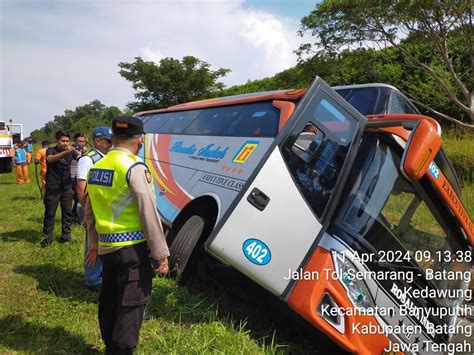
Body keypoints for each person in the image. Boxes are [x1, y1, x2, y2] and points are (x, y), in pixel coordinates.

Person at [84, 116, 169, 354]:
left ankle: (110, 344)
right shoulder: (133, 167)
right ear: (139, 140)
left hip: (107, 248)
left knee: (110, 296)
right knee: (132, 303)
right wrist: (160, 253)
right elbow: (148, 212)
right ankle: (122, 349)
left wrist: (93, 245)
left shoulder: (97, 167)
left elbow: (89, 212)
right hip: (133, 249)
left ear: (112, 138)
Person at [76, 126, 112, 292]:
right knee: (92, 243)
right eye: (108, 141)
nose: (112, 144)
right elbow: (81, 187)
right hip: (89, 207)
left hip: (100, 208)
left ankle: (100, 274)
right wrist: (86, 214)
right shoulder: (88, 159)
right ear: (98, 141)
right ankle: (93, 279)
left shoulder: (106, 157)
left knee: (100, 240)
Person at [41, 131, 80, 248]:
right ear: (57, 141)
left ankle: (66, 236)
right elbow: (50, 159)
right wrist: (64, 153)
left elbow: (79, 157)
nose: (65, 143)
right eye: (63, 141)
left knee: (67, 212)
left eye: (67, 141)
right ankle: (47, 238)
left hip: (66, 187)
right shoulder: (51, 150)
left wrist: (80, 151)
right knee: (50, 213)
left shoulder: (70, 151)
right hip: (53, 187)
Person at [71, 133, 87, 224]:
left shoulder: (84, 149)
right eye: (79, 141)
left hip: (80, 177)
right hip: (72, 177)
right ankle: (74, 218)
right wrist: (83, 152)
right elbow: (79, 157)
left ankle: (76, 218)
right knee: (76, 199)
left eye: (83, 141)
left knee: (78, 199)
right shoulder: (72, 149)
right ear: (75, 141)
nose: (82, 143)